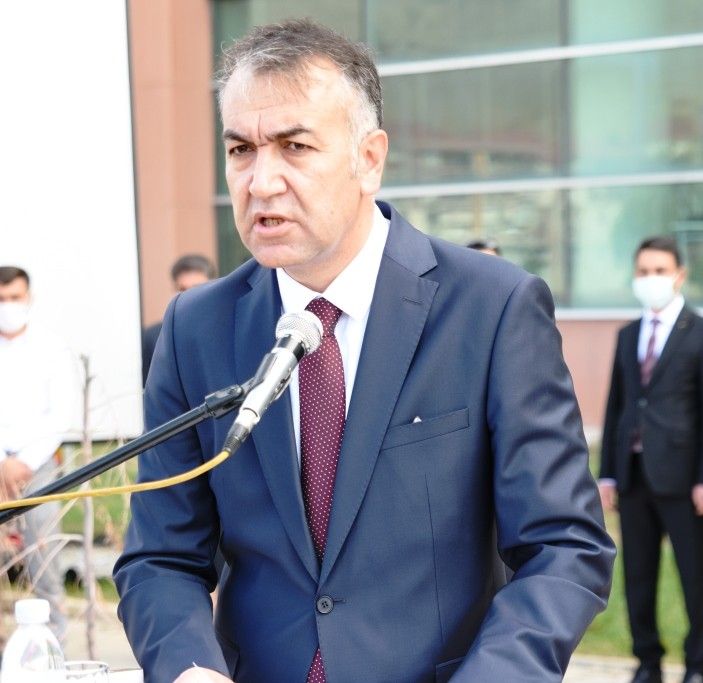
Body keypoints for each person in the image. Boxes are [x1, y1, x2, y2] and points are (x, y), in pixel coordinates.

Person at [114, 19, 614, 683]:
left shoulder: (490, 307)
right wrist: (186, 668)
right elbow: (159, 556)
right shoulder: (195, 327)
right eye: (240, 150)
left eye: (294, 146)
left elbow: (563, 546)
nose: (261, 181)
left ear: (369, 159)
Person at [600, 236, 703, 683]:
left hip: (683, 479)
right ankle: (647, 662)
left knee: (695, 578)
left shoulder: (698, 332)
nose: (650, 279)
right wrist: (607, 473)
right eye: (643, 271)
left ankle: (697, 664)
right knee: (637, 578)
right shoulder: (628, 334)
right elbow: (617, 405)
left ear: (680, 275)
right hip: (633, 476)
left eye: (659, 271)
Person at [0, 265, 79, 644]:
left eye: (14, 297)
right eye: (1, 299)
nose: (7, 306)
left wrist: (23, 463)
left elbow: (60, 414)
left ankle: (52, 645)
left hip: (38, 466)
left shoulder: (51, 348)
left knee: (42, 557)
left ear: (28, 298)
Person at [141, 254, 217, 385]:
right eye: (182, 289)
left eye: (196, 288)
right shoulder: (153, 337)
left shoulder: (225, 331)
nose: (188, 295)